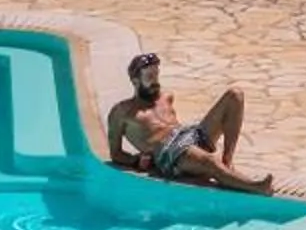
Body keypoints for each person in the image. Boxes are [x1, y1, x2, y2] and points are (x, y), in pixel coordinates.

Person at [104, 53, 274, 194]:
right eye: (149, 77)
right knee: (210, 162)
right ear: (135, 81)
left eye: (156, 75)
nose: (155, 81)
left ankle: (228, 162)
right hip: (170, 152)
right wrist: (135, 161)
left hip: (189, 135)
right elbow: (115, 153)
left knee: (234, 95)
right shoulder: (122, 112)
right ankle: (256, 188)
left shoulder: (166, 97)